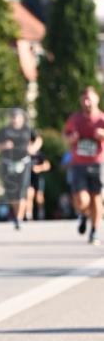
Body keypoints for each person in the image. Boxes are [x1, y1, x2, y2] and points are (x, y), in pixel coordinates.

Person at [63, 85, 104, 245]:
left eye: (90, 98)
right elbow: (66, 135)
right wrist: (71, 138)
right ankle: (83, 214)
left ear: (97, 99)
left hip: (98, 162)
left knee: (96, 199)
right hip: (79, 163)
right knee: (82, 200)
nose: (87, 102)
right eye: (84, 99)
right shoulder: (75, 118)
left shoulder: (101, 118)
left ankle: (94, 231)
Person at [0, 108, 42, 229]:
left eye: (17, 117)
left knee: (22, 191)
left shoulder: (28, 129)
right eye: (13, 117)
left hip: (23, 163)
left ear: (22, 118)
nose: (15, 119)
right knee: (12, 193)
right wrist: (3, 146)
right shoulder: (4, 131)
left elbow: (38, 140)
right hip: (8, 163)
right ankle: (16, 215)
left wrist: (33, 148)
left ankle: (19, 218)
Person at [26, 149, 51, 221]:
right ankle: (29, 216)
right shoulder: (25, 154)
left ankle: (41, 214)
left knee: (39, 197)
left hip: (38, 178)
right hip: (28, 179)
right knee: (29, 196)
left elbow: (47, 165)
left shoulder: (39, 154)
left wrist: (39, 168)